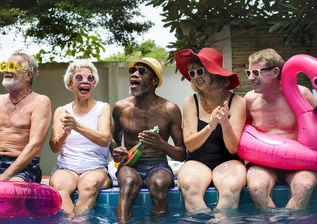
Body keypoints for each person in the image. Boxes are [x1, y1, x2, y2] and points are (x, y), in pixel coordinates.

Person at [110, 57, 186, 222]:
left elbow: (181, 154)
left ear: (154, 80)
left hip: (158, 165)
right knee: (128, 183)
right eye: (133, 71)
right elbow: (113, 140)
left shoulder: (169, 109)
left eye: (142, 71)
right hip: (130, 164)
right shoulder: (120, 108)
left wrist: (161, 144)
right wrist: (115, 150)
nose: (134, 74)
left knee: (159, 185)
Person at [174, 48, 247, 212]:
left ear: (214, 72)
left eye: (200, 71)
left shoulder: (237, 102)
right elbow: (190, 145)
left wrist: (225, 123)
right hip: (197, 162)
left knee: (231, 189)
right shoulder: (191, 102)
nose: (196, 77)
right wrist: (210, 126)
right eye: (192, 73)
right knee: (188, 186)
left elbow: (233, 148)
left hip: (228, 161)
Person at [244, 48, 317, 209]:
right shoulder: (250, 100)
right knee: (256, 188)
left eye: (256, 72)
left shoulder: (301, 94)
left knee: (305, 186)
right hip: (264, 163)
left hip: (299, 162)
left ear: (275, 72)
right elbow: (244, 131)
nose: (250, 78)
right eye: (248, 72)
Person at [0, 50, 51, 183]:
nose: (6, 70)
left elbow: (35, 144)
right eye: (5, 66)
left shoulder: (40, 101)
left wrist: (6, 176)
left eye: (12, 67)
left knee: (12, 188)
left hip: (26, 167)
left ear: (28, 75)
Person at [49, 59, 112, 216]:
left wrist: (77, 126)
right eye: (79, 78)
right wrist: (65, 134)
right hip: (66, 168)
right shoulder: (61, 111)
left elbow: (104, 139)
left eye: (90, 78)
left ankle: (79, 220)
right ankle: (70, 219)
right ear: (70, 85)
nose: (85, 81)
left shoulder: (102, 108)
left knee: (89, 185)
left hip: (95, 168)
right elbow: (54, 148)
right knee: (58, 185)